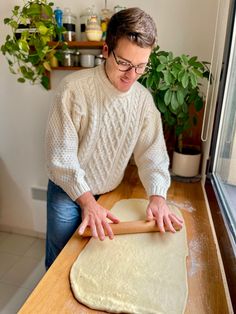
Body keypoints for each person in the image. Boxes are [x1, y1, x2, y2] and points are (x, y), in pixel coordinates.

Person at [45, 7, 183, 270]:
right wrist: (86, 201)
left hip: (109, 191)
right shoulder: (73, 90)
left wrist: (157, 197)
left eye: (141, 66)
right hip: (66, 192)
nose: (131, 75)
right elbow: (60, 158)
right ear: (106, 50)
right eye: (124, 63)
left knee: (97, 263)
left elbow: (152, 155)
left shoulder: (143, 101)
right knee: (59, 263)